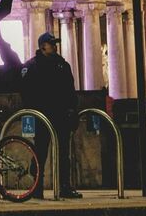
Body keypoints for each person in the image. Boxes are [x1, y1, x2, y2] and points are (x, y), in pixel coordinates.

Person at [20, 32, 82, 199]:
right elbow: (26, 94)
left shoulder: (62, 64)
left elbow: (70, 90)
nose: (55, 46)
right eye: (51, 43)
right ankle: (37, 186)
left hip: (60, 115)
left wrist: (72, 110)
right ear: (42, 46)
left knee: (63, 153)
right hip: (42, 116)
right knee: (40, 152)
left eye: (55, 43)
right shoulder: (31, 66)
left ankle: (64, 186)